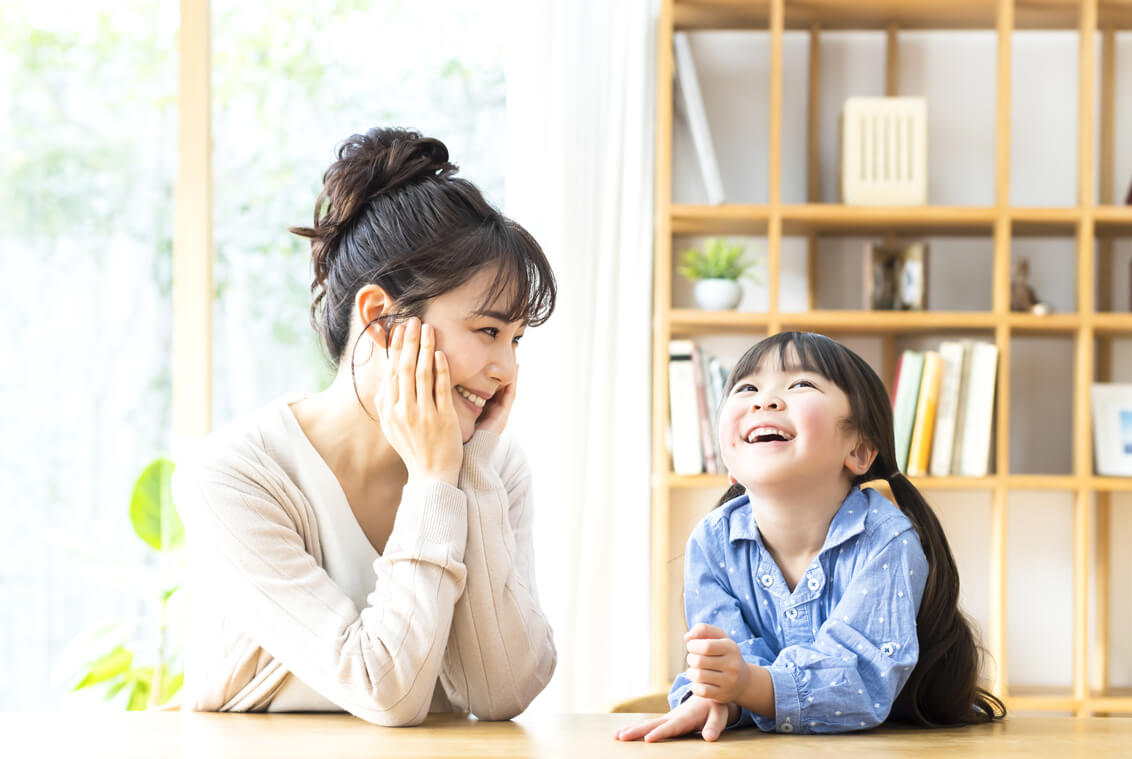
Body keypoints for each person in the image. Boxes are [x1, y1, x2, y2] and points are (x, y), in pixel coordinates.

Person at [173, 128, 557, 726]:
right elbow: (386, 692)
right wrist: (434, 482)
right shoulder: (233, 475)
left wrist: (470, 470)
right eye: (487, 332)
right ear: (380, 318)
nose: (505, 369)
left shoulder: (496, 466)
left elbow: (502, 691)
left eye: (515, 341)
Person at [617, 331, 1004, 742]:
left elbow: (859, 682)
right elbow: (731, 662)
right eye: (747, 388)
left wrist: (745, 684)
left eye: (801, 384)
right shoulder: (712, 542)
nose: (763, 401)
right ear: (730, 461)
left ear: (859, 450)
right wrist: (717, 697)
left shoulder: (887, 541)